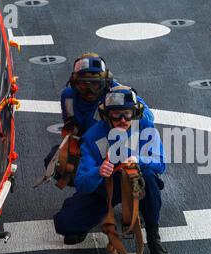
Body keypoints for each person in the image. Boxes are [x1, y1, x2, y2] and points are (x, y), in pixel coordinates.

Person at [53, 86, 171, 254]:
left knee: (149, 176)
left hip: (136, 181)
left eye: (127, 114)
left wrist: (139, 160)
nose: (122, 120)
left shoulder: (146, 127)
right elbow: (82, 182)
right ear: (106, 115)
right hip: (105, 186)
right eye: (116, 115)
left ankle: (154, 239)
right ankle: (80, 210)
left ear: (136, 112)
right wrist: (98, 171)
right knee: (65, 224)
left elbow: (161, 163)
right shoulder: (92, 137)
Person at [44, 52, 154, 180]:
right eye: (83, 84)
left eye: (95, 84)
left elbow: (148, 116)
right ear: (75, 83)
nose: (89, 91)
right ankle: (88, 183)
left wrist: (122, 108)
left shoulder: (117, 92)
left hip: (115, 145)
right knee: (54, 160)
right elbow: (69, 125)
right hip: (88, 146)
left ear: (105, 82)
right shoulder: (67, 97)